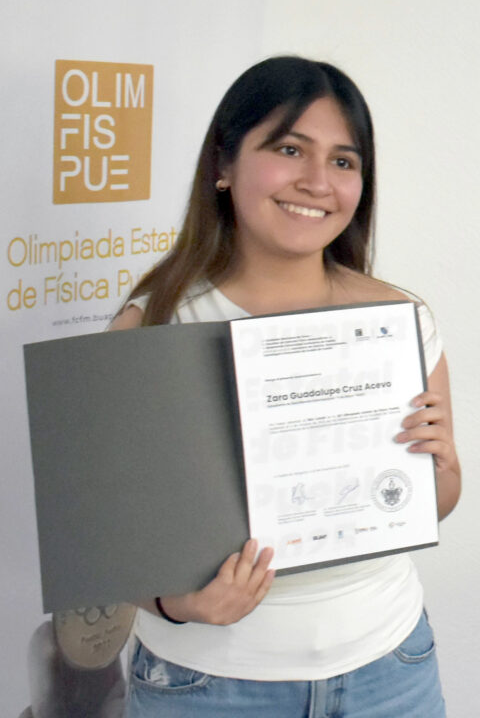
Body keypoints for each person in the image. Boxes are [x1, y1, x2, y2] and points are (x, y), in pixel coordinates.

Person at [111, 56, 461, 717]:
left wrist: (438, 469)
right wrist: (176, 604)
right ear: (224, 163)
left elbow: (438, 498)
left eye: (343, 161)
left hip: (391, 670)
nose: (317, 181)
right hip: (209, 687)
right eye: (289, 149)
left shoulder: (399, 321)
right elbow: (104, 537)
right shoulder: (154, 324)